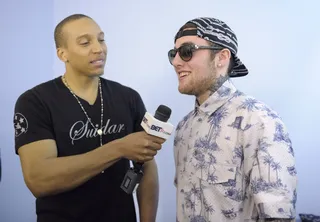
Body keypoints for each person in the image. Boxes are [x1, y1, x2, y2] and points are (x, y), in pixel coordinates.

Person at [13, 14, 164, 222]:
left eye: (101, 39)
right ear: (62, 53)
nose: (98, 48)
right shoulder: (35, 101)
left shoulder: (128, 97)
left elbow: (147, 166)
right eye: (85, 42)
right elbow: (39, 180)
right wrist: (118, 148)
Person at [168, 17, 297, 222]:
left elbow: (278, 217)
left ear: (222, 57)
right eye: (173, 54)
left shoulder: (258, 121)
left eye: (186, 52)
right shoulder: (184, 128)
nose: (176, 62)